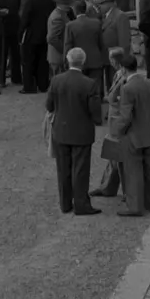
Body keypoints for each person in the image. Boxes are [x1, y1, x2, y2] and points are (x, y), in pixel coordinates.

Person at [46, 47, 103, 216]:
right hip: (81, 132)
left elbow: (49, 105)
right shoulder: (89, 83)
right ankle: (81, 204)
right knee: (80, 169)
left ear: (68, 60)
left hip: (61, 131)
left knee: (63, 169)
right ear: (83, 62)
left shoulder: (56, 80)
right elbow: (95, 112)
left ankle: (65, 203)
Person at [108, 54, 150, 217]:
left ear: (123, 69)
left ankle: (135, 207)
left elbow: (126, 116)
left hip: (133, 136)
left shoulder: (127, 88)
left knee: (133, 171)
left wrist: (117, 131)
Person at [91, 47, 130, 201]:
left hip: (119, 121)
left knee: (120, 157)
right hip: (114, 121)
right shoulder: (119, 74)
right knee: (113, 156)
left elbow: (118, 98)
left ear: (115, 60)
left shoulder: (124, 76)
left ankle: (127, 191)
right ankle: (108, 187)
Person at [18, 0, 55, 93]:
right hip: (45, 35)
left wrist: (19, 35)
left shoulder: (31, 1)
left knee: (28, 62)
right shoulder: (50, 1)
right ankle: (43, 84)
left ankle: (29, 86)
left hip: (31, 36)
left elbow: (25, 20)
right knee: (43, 62)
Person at [97, 0, 133, 90]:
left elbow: (125, 43)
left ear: (110, 3)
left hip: (116, 60)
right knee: (110, 87)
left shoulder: (120, 16)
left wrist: (123, 64)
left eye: (102, 3)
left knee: (117, 88)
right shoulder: (104, 16)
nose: (99, 6)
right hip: (106, 58)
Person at [63, 0, 105, 84]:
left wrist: (65, 62)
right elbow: (101, 44)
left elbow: (68, 45)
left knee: (79, 87)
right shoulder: (96, 23)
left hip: (77, 62)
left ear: (75, 10)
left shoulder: (70, 26)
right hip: (95, 60)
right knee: (96, 87)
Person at [0, 0, 23, 87]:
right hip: (2, 24)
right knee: (3, 52)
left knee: (15, 52)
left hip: (14, 22)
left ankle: (16, 77)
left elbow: (18, 2)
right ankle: (1, 79)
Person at [45, 0, 75, 77]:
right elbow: (52, 38)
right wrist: (65, 50)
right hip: (58, 58)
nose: (69, 6)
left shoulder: (61, 14)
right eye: (67, 4)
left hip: (58, 57)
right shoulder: (58, 17)